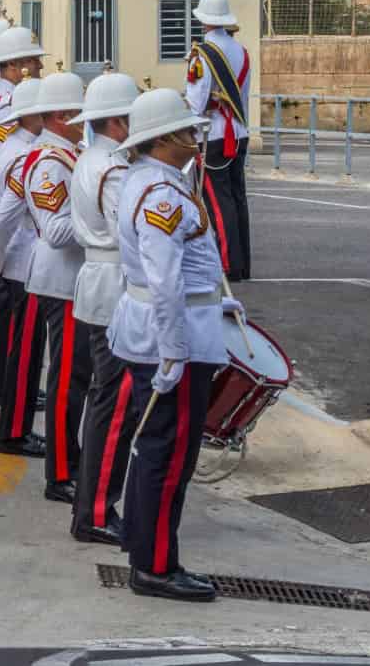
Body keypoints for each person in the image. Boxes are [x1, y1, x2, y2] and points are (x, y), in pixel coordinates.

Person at [110, 87, 227, 601]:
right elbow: (165, 281)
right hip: (171, 335)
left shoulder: (152, 180)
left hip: (168, 327)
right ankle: (155, 565)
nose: (194, 137)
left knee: (153, 446)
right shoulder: (160, 194)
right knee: (168, 452)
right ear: (163, 139)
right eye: (185, 130)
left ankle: (143, 544)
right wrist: (174, 350)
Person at [68, 72, 139, 546]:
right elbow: (129, 234)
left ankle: (94, 503)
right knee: (114, 408)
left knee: (103, 400)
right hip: (114, 282)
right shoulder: (111, 168)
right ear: (117, 122)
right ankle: (95, 510)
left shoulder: (90, 159)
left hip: (98, 279)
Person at [19, 71, 89, 503]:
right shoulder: (49, 161)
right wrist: (104, 222)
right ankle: (60, 472)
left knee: (78, 379)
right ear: (63, 116)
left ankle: (72, 460)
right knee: (67, 382)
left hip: (74, 282)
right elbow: (55, 231)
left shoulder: (69, 154)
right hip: (61, 281)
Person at [0, 76, 45, 456]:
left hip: (14, 258)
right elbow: (5, 218)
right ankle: (13, 431)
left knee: (18, 352)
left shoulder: (14, 146)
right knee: (25, 356)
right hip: (22, 260)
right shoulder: (25, 155)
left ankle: (13, 424)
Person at [184, 0, 252, 282]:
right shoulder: (242, 51)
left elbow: (196, 102)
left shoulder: (202, 54)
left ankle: (228, 264)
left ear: (204, 20)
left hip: (213, 135)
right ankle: (242, 263)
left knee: (217, 200)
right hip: (239, 132)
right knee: (237, 197)